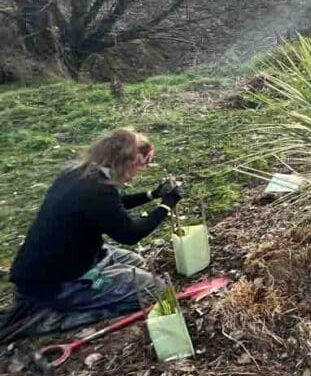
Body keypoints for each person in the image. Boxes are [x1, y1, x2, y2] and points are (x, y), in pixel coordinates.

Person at [8, 128, 182, 323]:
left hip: (57, 261)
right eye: (137, 166)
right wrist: (166, 205)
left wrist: (153, 194)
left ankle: (91, 288)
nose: (136, 174)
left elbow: (112, 206)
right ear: (123, 162)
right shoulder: (96, 191)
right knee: (156, 290)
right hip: (56, 281)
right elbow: (130, 234)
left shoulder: (81, 174)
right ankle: (57, 314)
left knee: (136, 263)